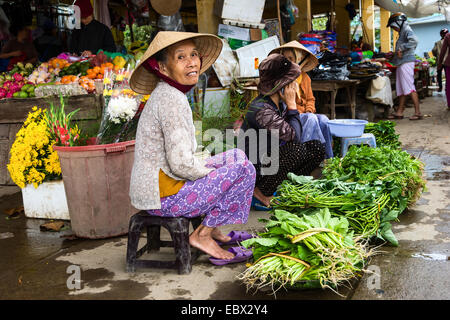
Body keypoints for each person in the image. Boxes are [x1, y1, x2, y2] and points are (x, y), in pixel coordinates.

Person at [129, 31, 256, 261]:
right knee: (244, 170)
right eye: (181, 57)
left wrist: (214, 173)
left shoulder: (170, 93)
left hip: (165, 184)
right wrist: (212, 174)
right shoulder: (171, 100)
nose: (192, 62)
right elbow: (181, 164)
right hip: (163, 196)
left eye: (194, 55)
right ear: (163, 68)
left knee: (236, 157)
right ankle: (202, 235)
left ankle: (212, 227)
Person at [239, 53, 325, 208]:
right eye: (291, 82)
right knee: (296, 150)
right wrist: (292, 105)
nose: (295, 85)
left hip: (270, 161)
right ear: (282, 85)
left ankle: (287, 188)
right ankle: (261, 193)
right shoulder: (261, 110)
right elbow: (295, 139)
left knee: (316, 148)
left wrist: (289, 105)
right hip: (256, 169)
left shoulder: (278, 103)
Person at [270, 41, 334, 159]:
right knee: (311, 119)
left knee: (324, 120)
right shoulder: (280, 77)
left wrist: (309, 110)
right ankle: (306, 157)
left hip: (306, 114)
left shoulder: (305, 78)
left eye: (291, 58)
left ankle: (328, 158)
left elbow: (310, 99)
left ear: (298, 59)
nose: (287, 61)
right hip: (290, 116)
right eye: (284, 58)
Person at [386, 12, 423, 120]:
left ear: (398, 22)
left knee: (409, 87)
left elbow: (415, 41)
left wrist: (401, 48)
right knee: (402, 88)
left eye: (393, 26)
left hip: (406, 62)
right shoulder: (403, 31)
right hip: (402, 62)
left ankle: (418, 112)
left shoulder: (406, 29)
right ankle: (399, 112)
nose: (393, 28)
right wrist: (394, 55)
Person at [432, 28, 448, 92]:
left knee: (439, 75)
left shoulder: (437, 43)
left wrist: (437, 56)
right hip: (447, 61)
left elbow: (433, 51)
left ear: (441, 35)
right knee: (447, 74)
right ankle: (447, 87)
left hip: (440, 61)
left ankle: (440, 87)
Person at [437, 30, 450, 110]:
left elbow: (443, 51)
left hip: (448, 63)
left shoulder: (448, 36)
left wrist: (439, 63)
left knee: (449, 84)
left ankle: (449, 105)